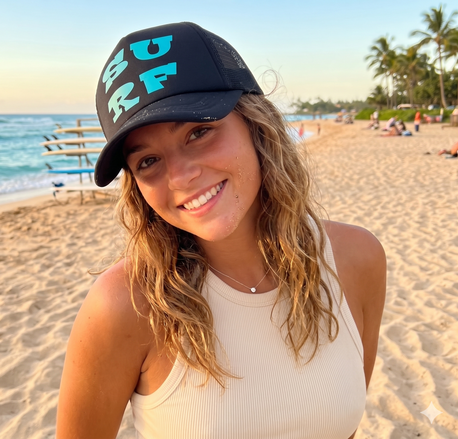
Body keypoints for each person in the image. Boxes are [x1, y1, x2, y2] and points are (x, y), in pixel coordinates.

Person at [56, 22, 386, 439]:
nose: (181, 176)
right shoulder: (127, 305)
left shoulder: (357, 259)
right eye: (148, 161)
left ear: (256, 125)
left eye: (199, 132)